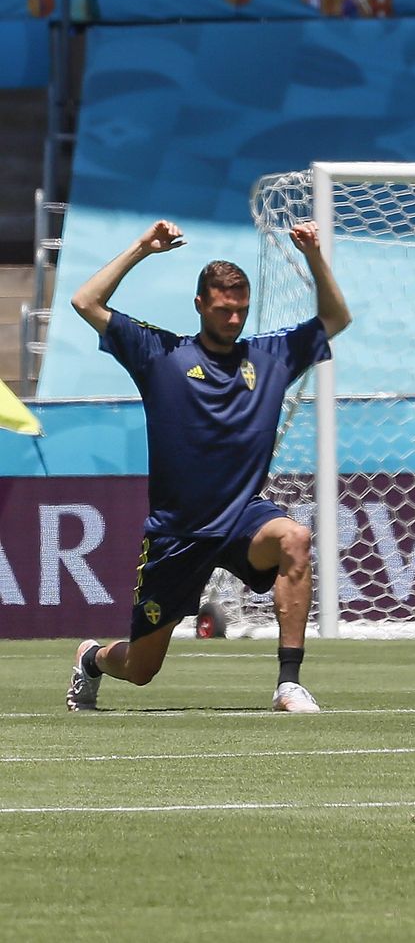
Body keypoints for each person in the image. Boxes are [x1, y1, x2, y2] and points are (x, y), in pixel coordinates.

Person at [66, 219, 352, 713]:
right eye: (224, 310)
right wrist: (141, 249)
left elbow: (335, 318)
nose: (234, 320)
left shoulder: (271, 357)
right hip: (178, 532)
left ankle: (288, 683)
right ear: (200, 305)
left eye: (241, 310)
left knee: (295, 539)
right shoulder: (161, 353)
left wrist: (313, 257)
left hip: (243, 517)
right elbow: (85, 301)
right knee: (141, 670)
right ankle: (91, 658)